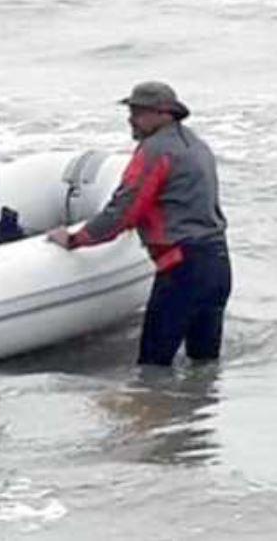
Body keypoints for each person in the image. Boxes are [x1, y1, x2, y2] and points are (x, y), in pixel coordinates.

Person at [48, 81, 232, 366]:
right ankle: (202, 411)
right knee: (204, 365)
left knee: (153, 368)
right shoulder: (197, 146)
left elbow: (123, 212)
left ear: (164, 114)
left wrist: (74, 239)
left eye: (139, 112)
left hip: (182, 269)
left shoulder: (155, 151)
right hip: (218, 264)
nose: (130, 119)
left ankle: (156, 408)